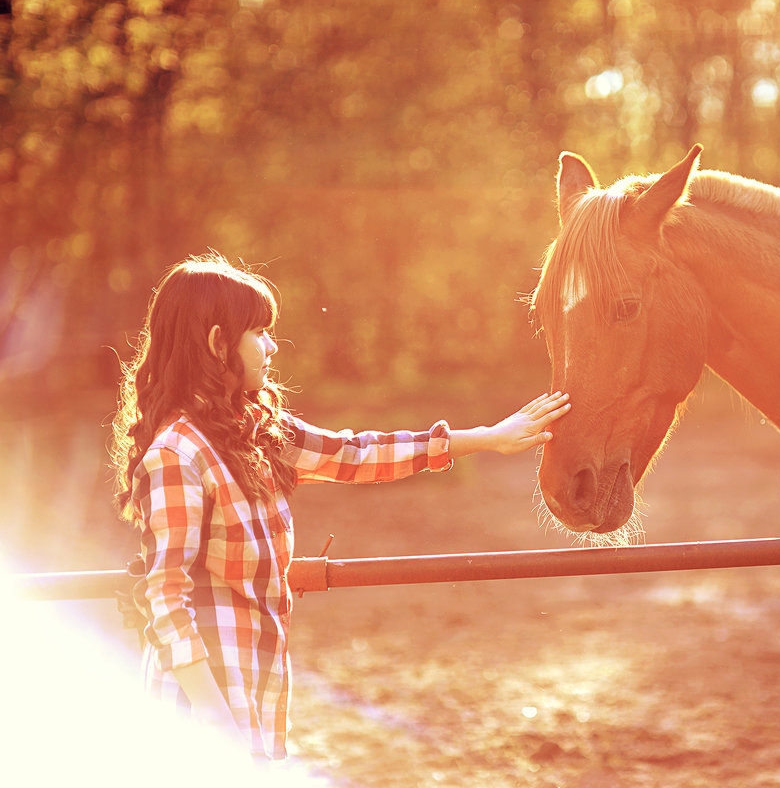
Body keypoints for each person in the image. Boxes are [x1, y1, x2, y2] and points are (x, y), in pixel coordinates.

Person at [110, 252, 569, 761]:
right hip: (200, 716)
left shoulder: (254, 434)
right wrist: (220, 727)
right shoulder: (177, 456)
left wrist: (486, 438)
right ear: (218, 343)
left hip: (255, 695)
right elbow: (166, 599)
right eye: (257, 333)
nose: (271, 346)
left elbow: (356, 454)